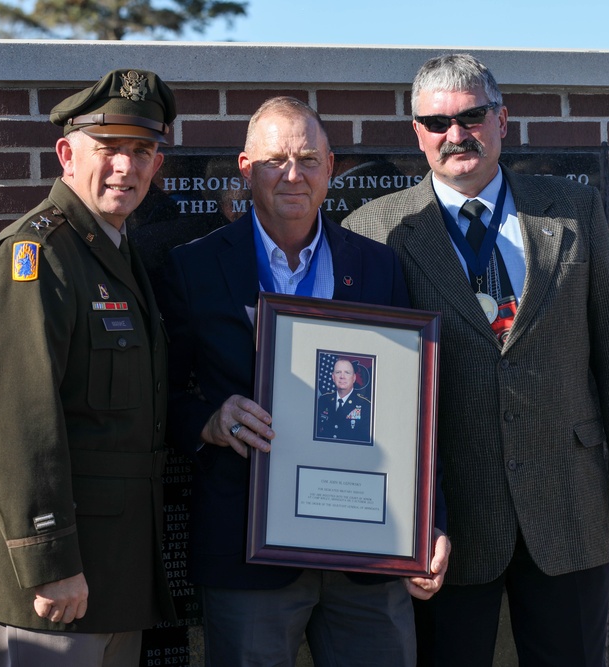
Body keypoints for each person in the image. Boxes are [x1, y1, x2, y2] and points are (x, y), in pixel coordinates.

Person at [345, 54, 609, 666]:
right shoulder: (373, 231)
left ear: (502, 119)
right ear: (416, 132)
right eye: (437, 122)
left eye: (472, 116)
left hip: (568, 506)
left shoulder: (572, 212)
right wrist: (396, 524)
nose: (456, 134)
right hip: (449, 518)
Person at [158, 96, 450, 667]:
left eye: (309, 159)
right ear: (246, 168)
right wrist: (212, 422)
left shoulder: (377, 266)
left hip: (371, 552)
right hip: (248, 552)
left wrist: (428, 522)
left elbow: (411, 409)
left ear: (331, 167)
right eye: (276, 160)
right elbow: (160, 399)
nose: (294, 175)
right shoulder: (192, 268)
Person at [0, 69, 177, 665]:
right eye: (109, 148)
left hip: (112, 571)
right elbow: (20, 425)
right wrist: (50, 562)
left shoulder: (111, 248)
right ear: (67, 154)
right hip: (56, 585)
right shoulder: (35, 260)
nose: (127, 166)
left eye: (142, 151)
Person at [316, 358, 373, 442]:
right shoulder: (323, 400)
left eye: (347, 372)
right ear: (333, 377)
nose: (342, 376)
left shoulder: (365, 406)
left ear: (354, 378)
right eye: (338, 372)